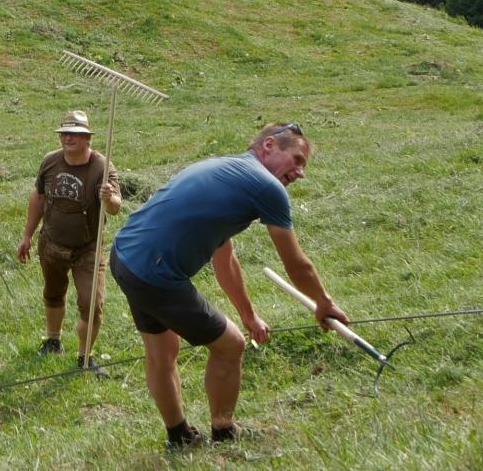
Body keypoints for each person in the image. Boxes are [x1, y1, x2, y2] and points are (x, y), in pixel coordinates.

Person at [109, 122, 349, 449]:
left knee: (162, 351)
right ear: (268, 146)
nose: (300, 173)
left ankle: (179, 437)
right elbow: (296, 263)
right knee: (230, 346)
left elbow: (225, 259)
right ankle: (224, 432)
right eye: (296, 160)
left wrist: (249, 316)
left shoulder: (226, 171)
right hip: (154, 272)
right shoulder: (266, 187)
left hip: (125, 256)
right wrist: (323, 301)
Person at [16, 110, 122, 375]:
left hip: (87, 249)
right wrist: (27, 235)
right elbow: (39, 197)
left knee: (92, 304)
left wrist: (107, 197)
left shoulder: (102, 167)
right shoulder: (50, 161)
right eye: (64, 133)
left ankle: (84, 358)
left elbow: (115, 209)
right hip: (50, 243)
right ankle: (53, 340)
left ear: (87, 138)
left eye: (74, 133)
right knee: (53, 293)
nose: (67, 138)